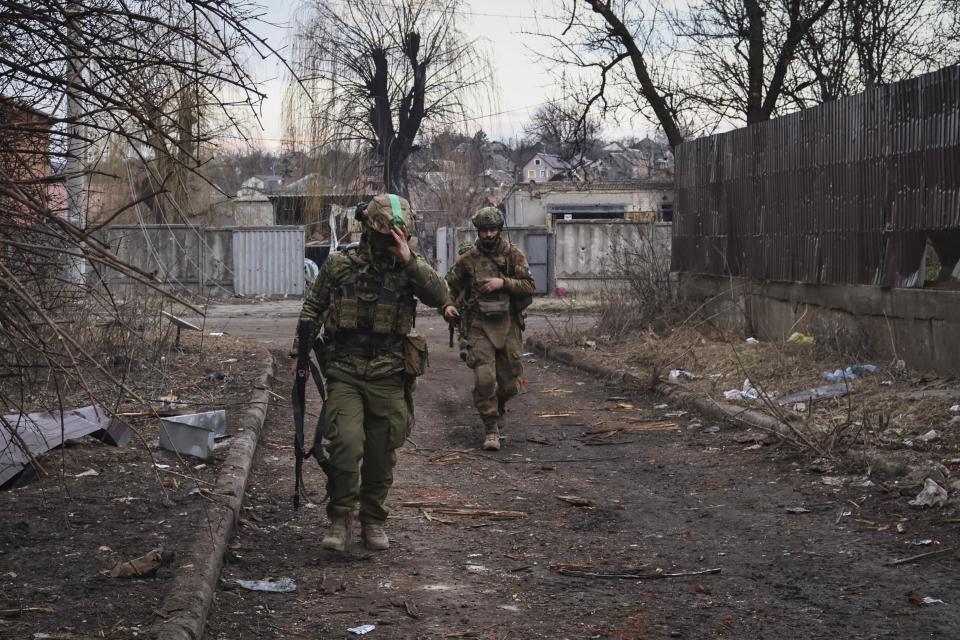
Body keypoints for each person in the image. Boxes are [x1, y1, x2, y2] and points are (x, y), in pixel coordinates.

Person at [292, 193, 448, 552]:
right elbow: (313, 306)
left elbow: (441, 295)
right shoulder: (340, 265)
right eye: (386, 236)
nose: (391, 243)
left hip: (390, 372)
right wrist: (300, 350)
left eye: (400, 236)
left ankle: (373, 520)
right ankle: (341, 517)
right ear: (369, 232)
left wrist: (410, 261)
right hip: (345, 369)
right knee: (345, 444)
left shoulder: (409, 266)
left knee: (381, 451)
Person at [443, 207, 535, 451]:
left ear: (499, 229)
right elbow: (451, 287)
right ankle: (490, 427)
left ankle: (501, 404)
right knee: (485, 379)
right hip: (478, 325)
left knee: (510, 382)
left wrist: (502, 282)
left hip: (509, 324)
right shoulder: (467, 260)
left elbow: (529, 285)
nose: (488, 234)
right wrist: (449, 306)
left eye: (492, 229)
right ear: (478, 231)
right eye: (484, 230)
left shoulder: (513, 255)